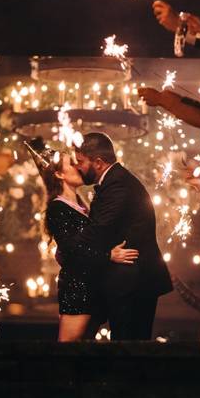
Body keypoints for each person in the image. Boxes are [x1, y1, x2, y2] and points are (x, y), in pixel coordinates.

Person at [72, 132, 172, 340]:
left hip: (134, 283)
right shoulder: (114, 181)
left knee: (129, 348)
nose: (78, 167)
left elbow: (100, 230)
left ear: (98, 162)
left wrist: (70, 245)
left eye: (81, 162)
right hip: (126, 280)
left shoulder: (118, 185)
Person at [34, 147, 139, 341]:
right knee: (68, 350)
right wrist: (109, 256)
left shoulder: (82, 205)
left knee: (83, 352)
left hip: (92, 286)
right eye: (72, 164)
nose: (78, 167)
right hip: (78, 290)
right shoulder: (58, 208)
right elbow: (71, 251)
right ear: (59, 174)